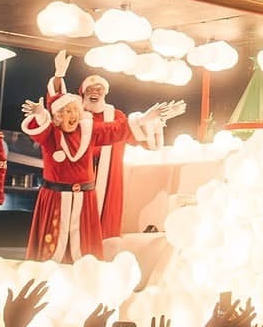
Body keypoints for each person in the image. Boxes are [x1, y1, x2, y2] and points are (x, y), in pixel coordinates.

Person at [48, 50, 185, 239]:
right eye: (90, 89)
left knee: (104, 227)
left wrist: (156, 121)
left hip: (108, 178)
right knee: (67, 227)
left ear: (105, 93)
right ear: (83, 93)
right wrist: (58, 76)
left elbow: (139, 137)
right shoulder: (74, 115)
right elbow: (56, 105)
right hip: (73, 179)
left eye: (99, 89)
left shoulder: (116, 117)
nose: (94, 92)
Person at [20, 92, 136, 262]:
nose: (73, 115)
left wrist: (146, 119)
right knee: (51, 245)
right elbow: (40, 129)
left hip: (85, 200)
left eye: (75, 111)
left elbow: (116, 129)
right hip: (55, 199)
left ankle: (84, 273)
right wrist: (40, 114)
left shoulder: (88, 131)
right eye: (67, 111)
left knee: (84, 247)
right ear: (58, 116)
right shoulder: (50, 134)